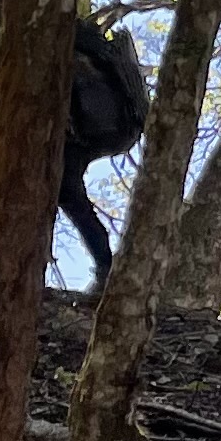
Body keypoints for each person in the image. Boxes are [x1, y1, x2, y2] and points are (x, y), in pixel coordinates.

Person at [60, 22, 153, 287]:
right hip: (100, 132)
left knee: (66, 189)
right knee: (66, 190)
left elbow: (83, 72)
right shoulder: (82, 44)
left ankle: (105, 266)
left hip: (110, 125)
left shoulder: (75, 46)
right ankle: (105, 266)